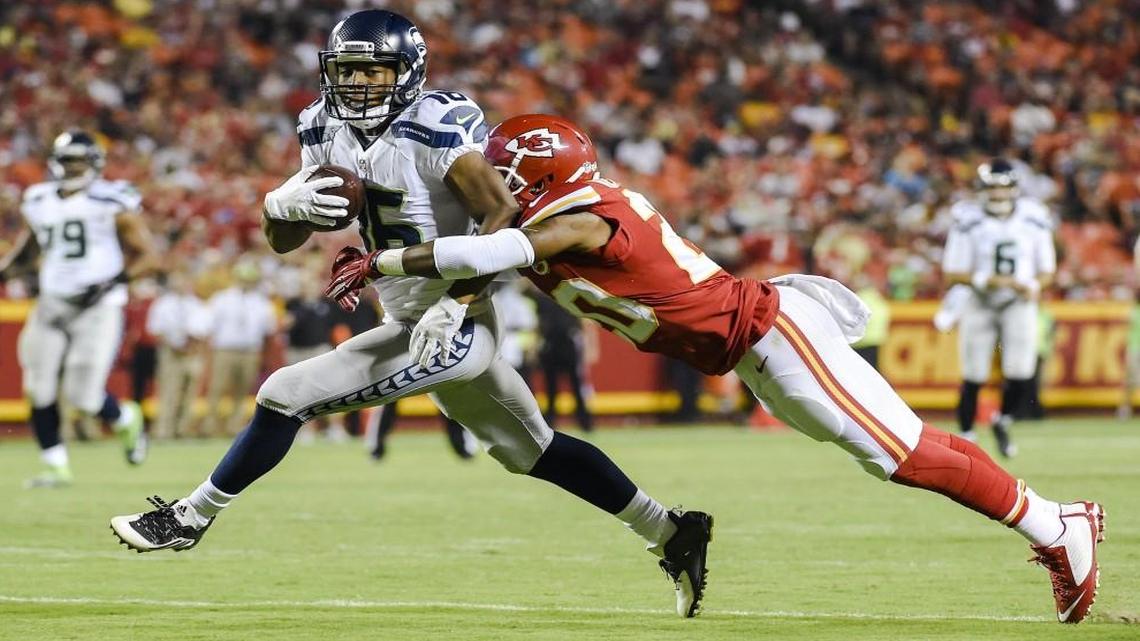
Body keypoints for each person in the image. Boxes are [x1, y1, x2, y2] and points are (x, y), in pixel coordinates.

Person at [338, 114, 1105, 624]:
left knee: (898, 452)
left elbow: (501, 247)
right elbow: (495, 253)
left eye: (504, 175)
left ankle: (1055, 526)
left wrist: (383, 261)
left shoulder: (583, 215)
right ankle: (1054, 519)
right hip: (753, 351)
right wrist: (451, 293)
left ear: (535, 176)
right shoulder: (557, 214)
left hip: (774, 334)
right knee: (894, 450)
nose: (490, 189)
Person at [109, 11, 711, 619]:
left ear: (408, 71)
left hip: (455, 321)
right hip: (404, 317)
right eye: (348, 70)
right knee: (533, 451)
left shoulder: (436, 124)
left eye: (374, 69)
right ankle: (670, 530)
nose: (358, 82)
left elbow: (502, 215)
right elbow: (284, 241)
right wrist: (278, 207)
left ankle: (190, 516)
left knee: (285, 394)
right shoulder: (320, 126)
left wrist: (457, 302)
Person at [0, 130, 157, 487]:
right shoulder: (38, 199)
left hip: (97, 306)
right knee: (38, 387)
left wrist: (111, 282)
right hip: (52, 303)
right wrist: (6, 269)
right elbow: (30, 249)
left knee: (84, 397)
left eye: (79, 160)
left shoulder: (111, 200)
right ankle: (55, 466)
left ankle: (125, 418)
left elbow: (150, 257)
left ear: (95, 163)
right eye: (67, 160)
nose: (73, 167)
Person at [941, 158, 1057, 458]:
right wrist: (988, 280)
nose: (996, 194)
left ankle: (1002, 420)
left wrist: (1032, 286)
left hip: (1018, 301)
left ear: (1014, 189)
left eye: (1002, 188)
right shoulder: (967, 218)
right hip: (979, 299)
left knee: (1021, 371)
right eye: (991, 188)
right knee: (974, 373)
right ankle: (967, 435)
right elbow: (952, 272)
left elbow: (1047, 270)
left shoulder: (1033, 216)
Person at [202, 261, 276, 437]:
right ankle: (209, 426)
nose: (246, 283)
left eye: (249, 280)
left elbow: (269, 328)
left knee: (242, 390)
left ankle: (234, 426)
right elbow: (208, 324)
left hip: (250, 350)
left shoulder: (261, 302)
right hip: (225, 349)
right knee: (217, 387)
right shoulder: (221, 298)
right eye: (243, 279)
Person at [148, 271, 212, 439]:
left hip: (193, 353)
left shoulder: (197, 304)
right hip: (170, 353)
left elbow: (204, 330)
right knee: (169, 391)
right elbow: (155, 329)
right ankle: (164, 430)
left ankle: (183, 429)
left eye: (185, 281)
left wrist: (193, 346)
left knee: (190, 393)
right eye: (179, 281)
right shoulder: (163, 304)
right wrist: (174, 345)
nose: (182, 285)